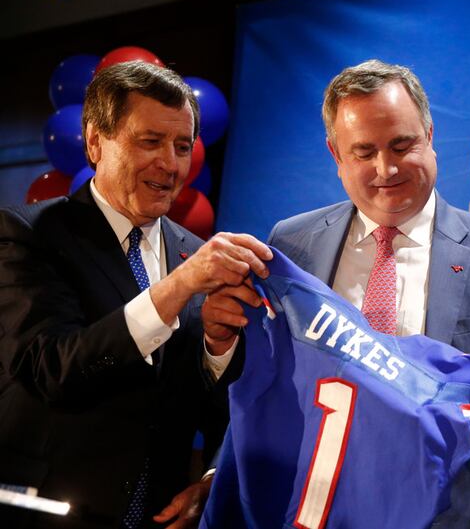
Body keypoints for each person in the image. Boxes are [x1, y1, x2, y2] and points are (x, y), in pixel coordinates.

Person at [205, 59, 470, 528]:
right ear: (335, 155)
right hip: (307, 510)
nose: (386, 168)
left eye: (402, 145)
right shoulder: (291, 244)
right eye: (364, 152)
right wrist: (220, 351)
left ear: (431, 134)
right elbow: (268, 382)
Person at [0, 61, 272, 529]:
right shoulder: (30, 233)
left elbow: (215, 406)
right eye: (150, 141)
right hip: (47, 511)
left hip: (158, 515)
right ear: (94, 142)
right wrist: (178, 287)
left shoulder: (194, 252)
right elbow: (52, 367)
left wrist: (218, 350)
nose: (170, 164)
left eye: (182, 146)